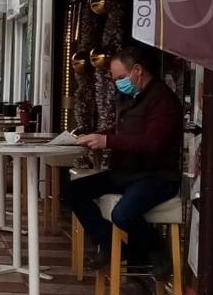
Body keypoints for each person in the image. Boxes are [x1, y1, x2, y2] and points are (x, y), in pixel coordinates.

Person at [67, 47, 183, 278]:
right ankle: (110, 244)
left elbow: (151, 142)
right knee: (73, 191)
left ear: (137, 70)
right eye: (115, 79)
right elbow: (123, 130)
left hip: (156, 176)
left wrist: (108, 140)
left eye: (121, 78)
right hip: (125, 172)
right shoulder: (130, 97)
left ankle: (155, 249)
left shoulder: (163, 100)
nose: (118, 84)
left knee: (124, 214)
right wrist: (96, 136)